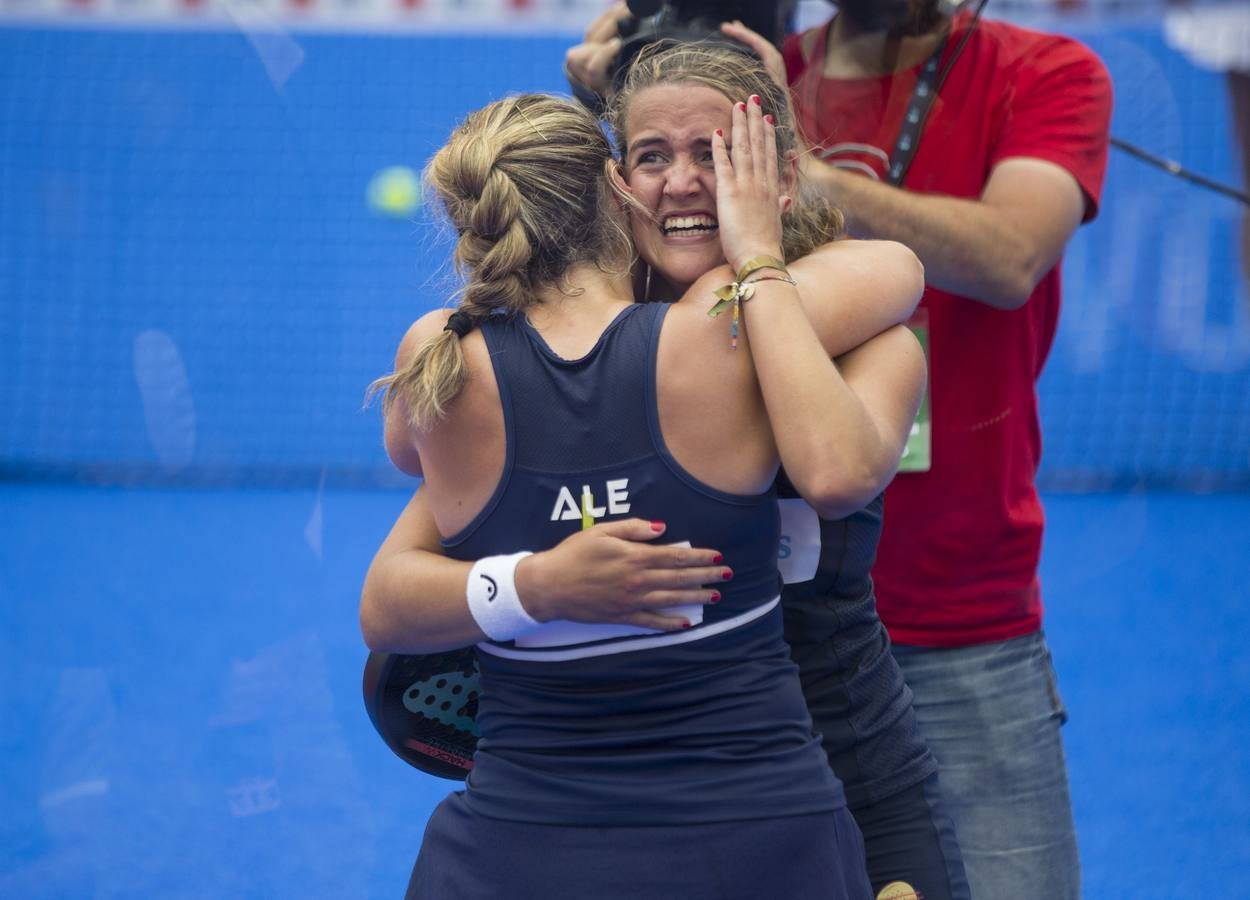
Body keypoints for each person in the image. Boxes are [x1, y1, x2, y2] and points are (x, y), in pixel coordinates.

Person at [374, 40, 969, 900]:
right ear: (616, 186)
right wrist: (534, 583)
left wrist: (759, 257)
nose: (685, 182)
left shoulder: (860, 327)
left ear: (779, 177)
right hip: (628, 788)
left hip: (846, 765)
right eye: (653, 156)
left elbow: (854, 410)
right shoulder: (541, 375)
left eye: (719, 153)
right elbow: (394, 580)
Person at [710, 2, 1112, 896]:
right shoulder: (749, 74)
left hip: (962, 611)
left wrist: (797, 171)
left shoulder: (1046, 71)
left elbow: (1009, 257)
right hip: (758, 624)